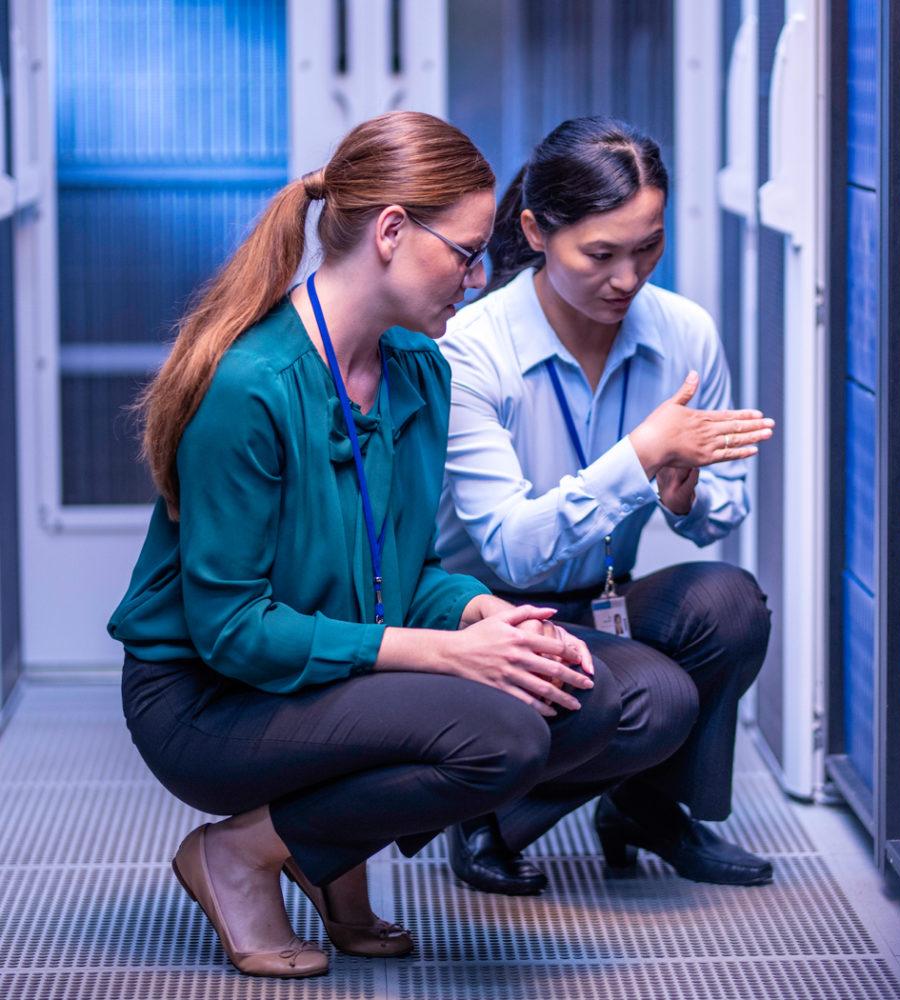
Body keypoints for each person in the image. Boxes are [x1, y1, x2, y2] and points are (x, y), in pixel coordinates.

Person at [108, 111, 695, 980]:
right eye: (465, 252)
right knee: (501, 733)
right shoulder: (250, 385)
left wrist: (482, 609)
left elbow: (402, 570)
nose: (480, 276)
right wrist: (451, 654)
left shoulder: (417, 368)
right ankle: (240, 854)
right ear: (391, 231)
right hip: (208, 698)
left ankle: (323, 851)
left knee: (587, 695)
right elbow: (232, 630)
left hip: (333, 666)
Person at [436, 116, 776, 895]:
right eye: (600, 254)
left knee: (731, 605)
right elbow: (513, 550)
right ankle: (486, 808)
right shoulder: (472, 347)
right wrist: (641, 456)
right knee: (656, 695)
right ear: (534, 230)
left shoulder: (684, 333)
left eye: (648, 247)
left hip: (600, 602)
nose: (629, 278)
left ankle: (644, 809)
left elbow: (728, 503)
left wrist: (686, 498)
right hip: (489, 613)